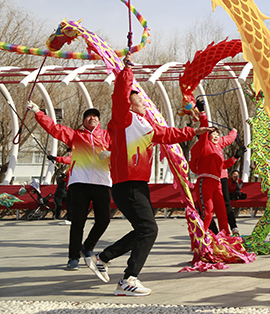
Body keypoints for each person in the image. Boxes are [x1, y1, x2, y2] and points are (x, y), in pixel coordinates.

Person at [92, 55, 211, 296]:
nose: (146, 104)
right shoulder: (123, 120)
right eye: (141, 100)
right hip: (127, 184)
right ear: (130, 103)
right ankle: (128, 280)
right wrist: (126, 70)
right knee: (149, 229)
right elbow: (119, 96)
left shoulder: (146, 125)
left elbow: (168, 134)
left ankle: (103, 258)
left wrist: (195, 131)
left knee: (143, 229)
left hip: (139, 184)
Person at [30, 105, 112, 272]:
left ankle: (87, 246)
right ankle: (73, 257)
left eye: (95, 116)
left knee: (104, 220)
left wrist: (111, 152)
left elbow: (123, 147)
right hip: (79, 183)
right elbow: (54, 128)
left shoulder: (107, 136)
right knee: (77, 222)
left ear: (99, 120)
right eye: (88, 116)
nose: (92, 118)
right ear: (83, 120)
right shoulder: (75, 135)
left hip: (102, 182)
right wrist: (38, 113)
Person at [190, 118, 237, 236]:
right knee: (208, 213)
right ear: (207, 135)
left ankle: (225, 239)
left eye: (217, 134)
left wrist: (235, 157)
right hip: (205, 182)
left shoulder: (218, 149)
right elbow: (204, 128)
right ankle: (201, 240)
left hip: (217, 183)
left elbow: (223, 165)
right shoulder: (204, 144)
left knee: (222, 213)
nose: (216, 136)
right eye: (213, 134)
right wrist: (202, 114)